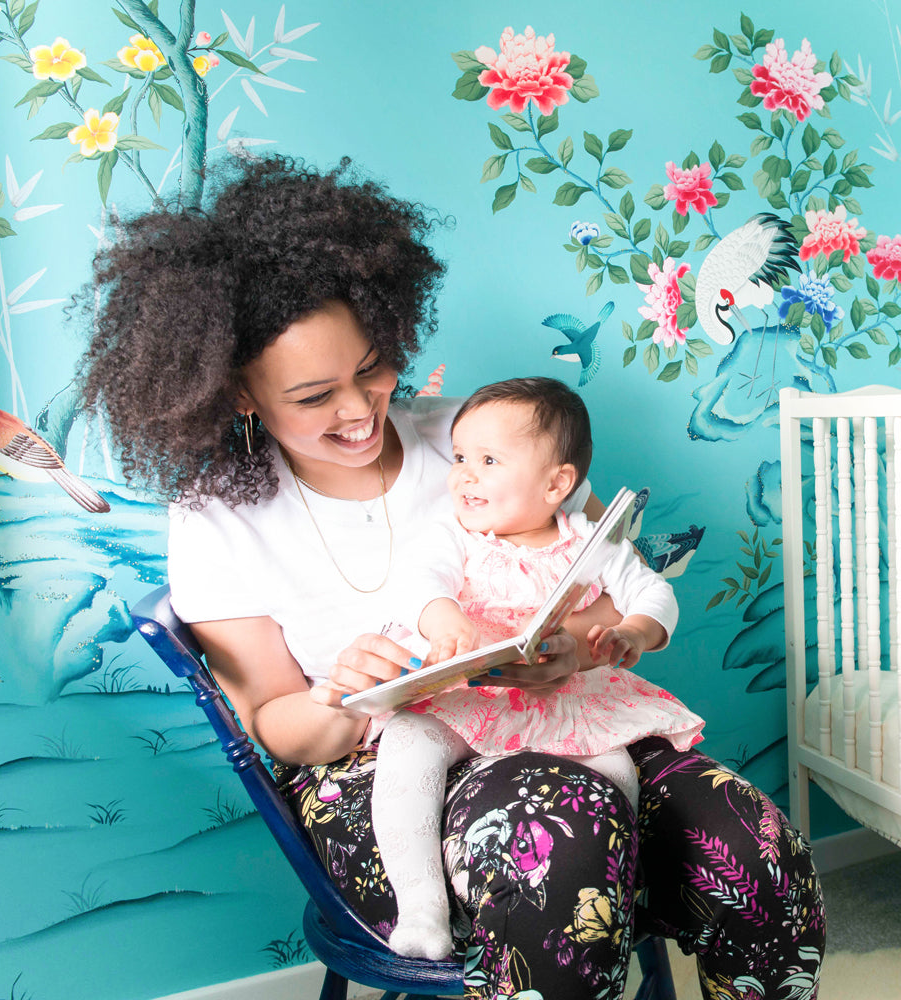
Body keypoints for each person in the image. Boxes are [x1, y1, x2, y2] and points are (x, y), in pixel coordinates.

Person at [78, 154, 825, 1000]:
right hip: (373, 766)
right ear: (240, 394)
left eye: (371, 368)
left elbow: (600, 589)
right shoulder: (217, 513)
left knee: (754, 844)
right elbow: (276, 725)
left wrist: (572, 650)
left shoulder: (472, 439)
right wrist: (341, 698)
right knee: (559, 837)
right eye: (314, 396)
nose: (359, 410)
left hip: (560, 717)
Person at [368, 376, 705, 960]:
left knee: (615, 776)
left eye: (489, 460)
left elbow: (654, 594)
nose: (465, 474)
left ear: (558, 483)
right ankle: (422, 905)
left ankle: (617, 897)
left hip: (561, 699)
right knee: (405, 744)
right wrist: (444, 621)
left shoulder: (590, 543)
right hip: (470, 693)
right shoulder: (454, 534)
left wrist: (631, 633)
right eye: (460, 458)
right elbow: (419, 584)